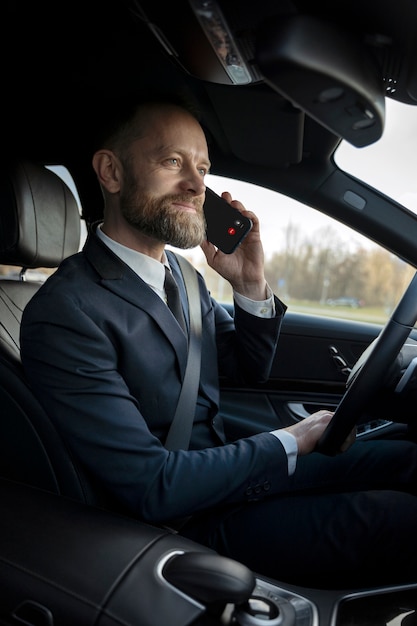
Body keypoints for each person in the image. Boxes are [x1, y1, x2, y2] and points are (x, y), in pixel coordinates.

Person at [20, 96, 417, 590]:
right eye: (172, 162)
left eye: (202, 167)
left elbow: (246, 370)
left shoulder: (183, 276)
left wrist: (249, 286)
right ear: (111, 172)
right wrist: (290, 439)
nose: (195, 184)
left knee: (404, 459)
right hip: (179, 524)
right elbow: (153, 487)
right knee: (396, 517)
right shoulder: (66, 313)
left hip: (226, 476)